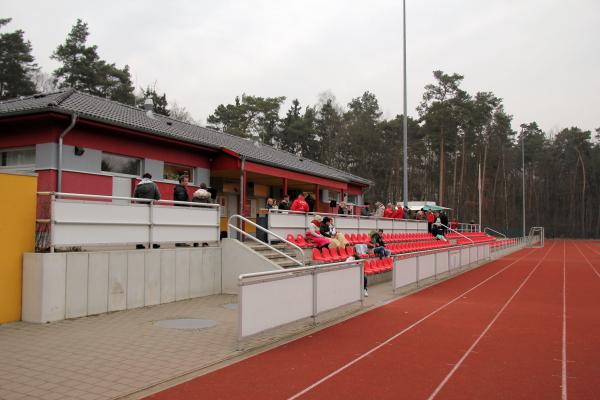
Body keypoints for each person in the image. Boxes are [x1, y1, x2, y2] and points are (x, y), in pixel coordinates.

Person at [134, 173, 160, 249]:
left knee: (141, 226)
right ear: (150, 178)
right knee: (151, 226)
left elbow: (135, 197)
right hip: (150, 208)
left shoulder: (139, 185)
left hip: (140, 209)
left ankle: (139, 244)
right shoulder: (153, 185)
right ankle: (151, 243)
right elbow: (158, 197)